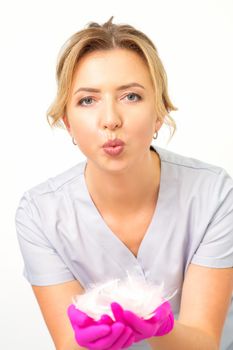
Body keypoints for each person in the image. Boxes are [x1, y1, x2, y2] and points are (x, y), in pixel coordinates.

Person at [15, 16, 233, 350]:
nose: (111, 120)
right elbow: (69, 346)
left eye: (130, 96)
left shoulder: (214, 194)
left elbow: (205, 340)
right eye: (87, 100)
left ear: (159, 111)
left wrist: (157, 329)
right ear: (68, 123)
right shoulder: (40, 214)